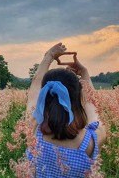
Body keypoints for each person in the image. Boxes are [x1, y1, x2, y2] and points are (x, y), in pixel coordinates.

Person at [26, 42, 107, 177]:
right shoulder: (91, 140)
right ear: (78, 97)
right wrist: (84, 73)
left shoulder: (34, 128)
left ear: (44, 96)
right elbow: (94, 107)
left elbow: (36, 81)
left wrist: (49, 55)